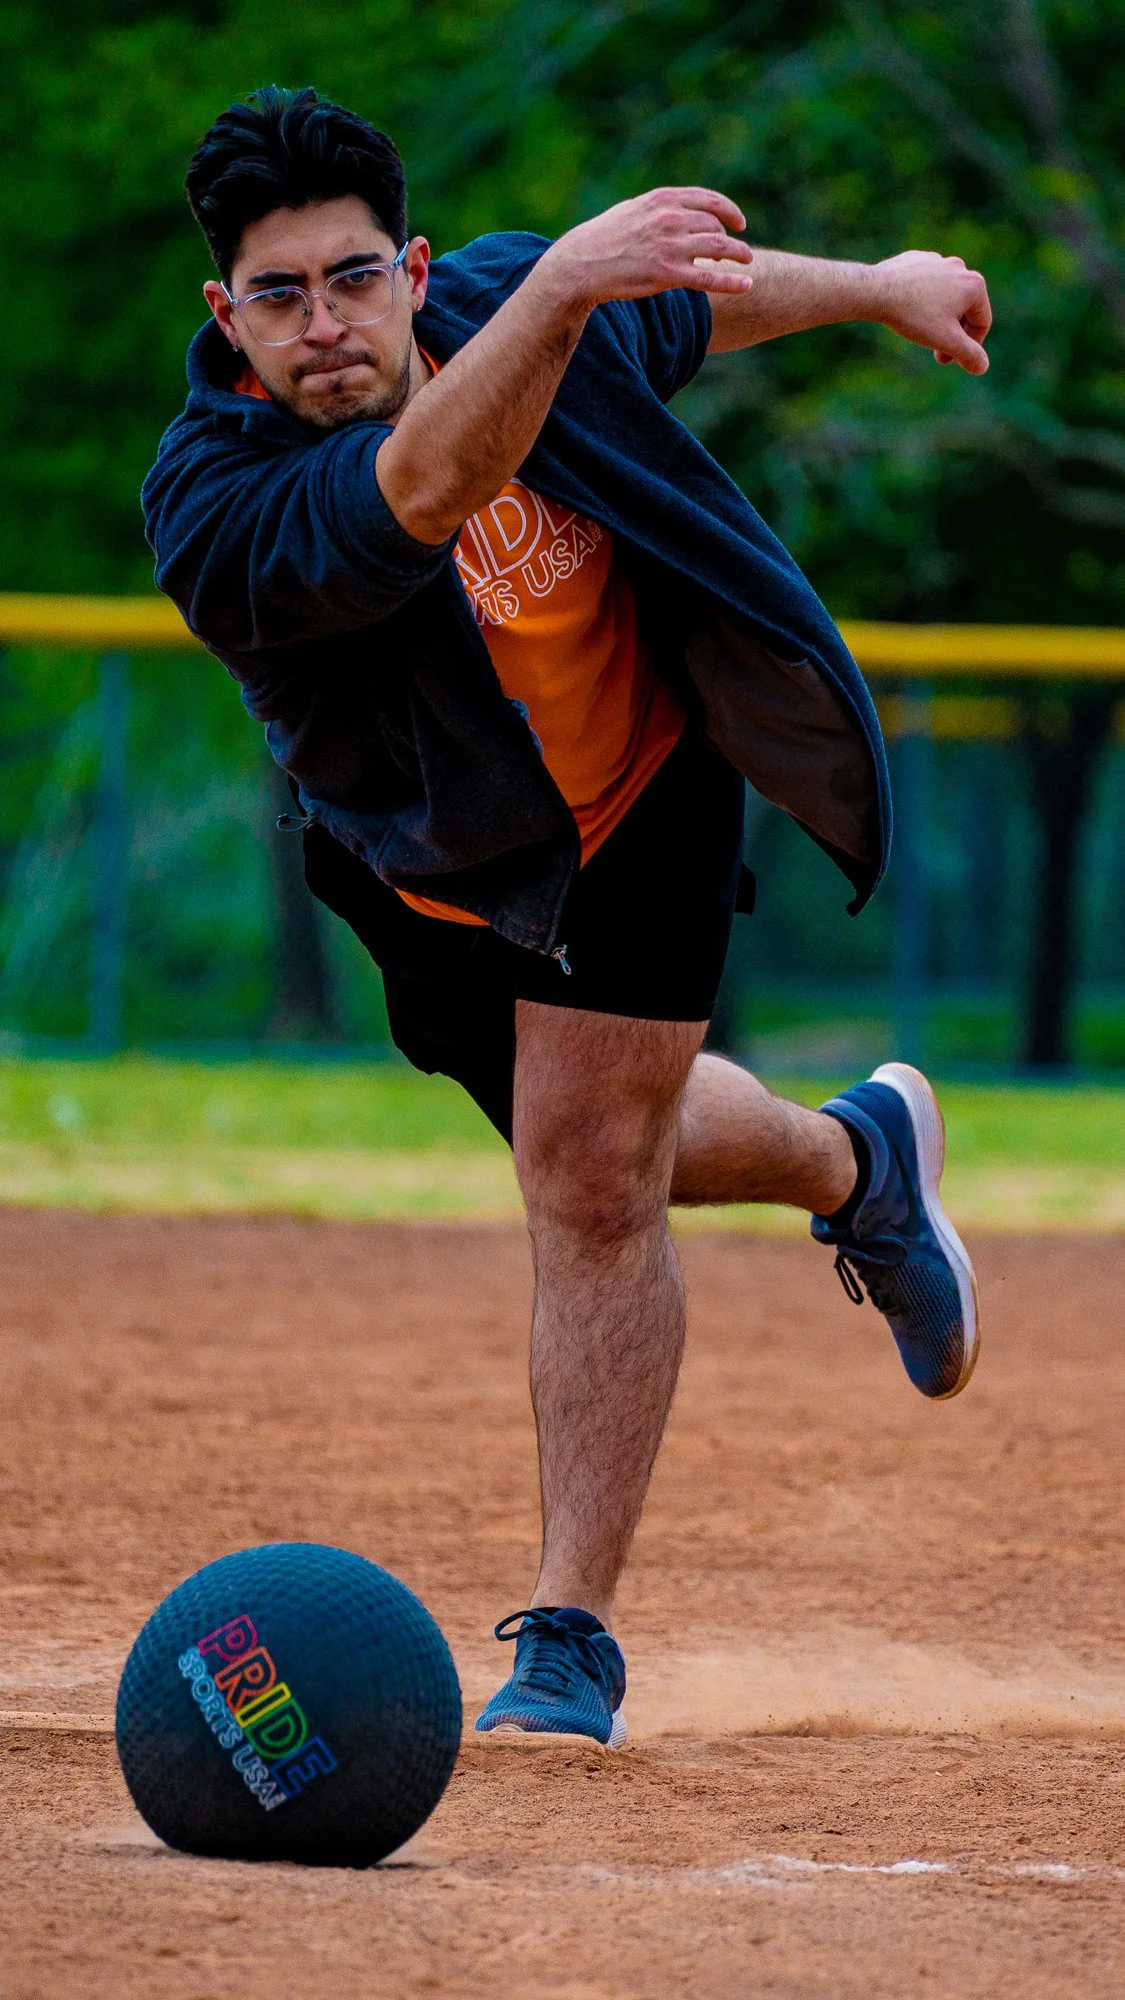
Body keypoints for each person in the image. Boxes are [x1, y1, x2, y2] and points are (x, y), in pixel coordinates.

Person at [145, 86, 991, 1750]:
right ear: (224, 315)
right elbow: (415, 492)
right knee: (619, 1145)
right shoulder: (216, 497)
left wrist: (884, 277)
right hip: (434, 871)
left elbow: (696, 293)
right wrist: (558, 294)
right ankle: (857, 1162)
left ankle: (569, 1642)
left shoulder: (502, 299)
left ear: (416, 266)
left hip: (645, 797)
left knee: (590, 1177)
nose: (327, 325)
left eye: (357, 278)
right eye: (280, 294)